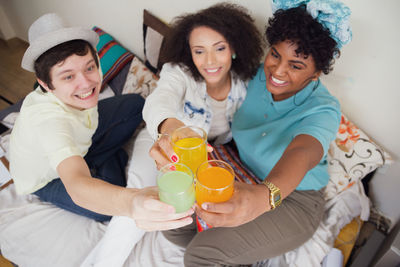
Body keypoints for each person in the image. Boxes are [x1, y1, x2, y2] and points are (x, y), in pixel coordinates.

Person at [160, 0, 352, 266]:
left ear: (317, 72)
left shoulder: (324, 108)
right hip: (240, 170)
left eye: (296, 66)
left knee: (200, 255)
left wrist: (264, 197)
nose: (278, 71)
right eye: (275, 54)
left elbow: (303, 152)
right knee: (173, 221)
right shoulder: (256, 75)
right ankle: (241, 254)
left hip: (294, 199)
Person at [83, 3, 264, 266]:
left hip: (208, 156)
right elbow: (159, 101)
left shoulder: (246, 81)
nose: (210, 61)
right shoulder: (178, 73)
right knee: (140, 199)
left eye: (220, 48)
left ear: (234, 47)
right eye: (199, 51)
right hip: (165, 143)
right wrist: (174, 131)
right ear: (190, 54)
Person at [9, 13, 193, 234]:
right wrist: (133, 202)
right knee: (107, 208)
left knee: (135, 104)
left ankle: (96, 159)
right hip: (50, 177)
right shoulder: (48, 123)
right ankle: (99, 161)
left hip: (83, 138)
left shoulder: (81, 87)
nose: (86, 84)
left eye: (89, 68)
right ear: (45, 85)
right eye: (68, 77)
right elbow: (77, 186)